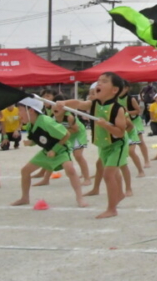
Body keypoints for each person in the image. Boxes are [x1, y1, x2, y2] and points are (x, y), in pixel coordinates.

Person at [55, 73, 129, 218]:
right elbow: (79, 104)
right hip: (104, 145)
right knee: (112, 172)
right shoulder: (94, 103)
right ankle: (119, 194)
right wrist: (64, 103)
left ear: (114, 90)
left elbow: (120, 132)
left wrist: (106, 125)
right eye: (98, 81)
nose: (99, 84)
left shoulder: (118, 109)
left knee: (108, 175)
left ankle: (112, 209)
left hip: (117, 145)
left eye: (104, 81)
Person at [11, 97, 87, 208]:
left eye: (20, 110)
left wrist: (54, 150)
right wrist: (31, 142)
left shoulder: (46, 121)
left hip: (61, 150)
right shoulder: (30, 125)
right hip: (47, 151)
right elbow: (41, 138)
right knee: (25, 171)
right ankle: (25, 198)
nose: (19, 114)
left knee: (70, 170)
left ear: (31, 110)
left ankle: (80, 198)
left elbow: (66, 135)